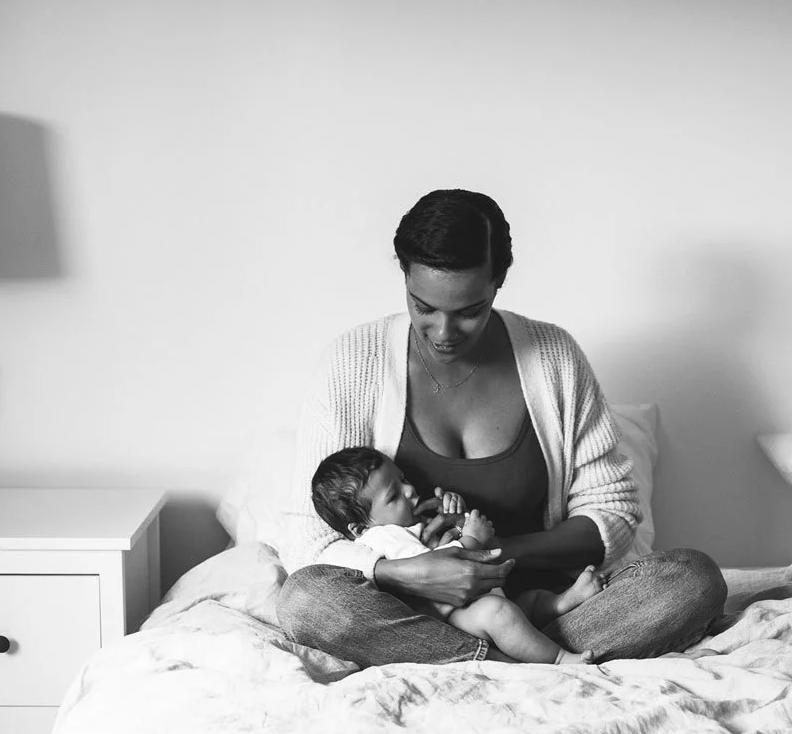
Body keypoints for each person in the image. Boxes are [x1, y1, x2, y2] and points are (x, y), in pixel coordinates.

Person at [275, 187, 727, 665]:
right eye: (423, 306)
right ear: (404, 276)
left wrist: (487, 555)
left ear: (498, 282)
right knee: (306, 601)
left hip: (549, 608)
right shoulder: (354, 363)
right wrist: (412, 574)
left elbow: (611, 512)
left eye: (469, 312)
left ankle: (505, 652)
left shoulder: (554, 357)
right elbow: (311, 543)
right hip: (420, 617)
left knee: (692, 579)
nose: (444, 333)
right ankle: (515, 661)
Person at [303, 444, 598, 664]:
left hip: (478, 602)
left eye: (403, 478)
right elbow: (441, 569)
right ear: (359, 527)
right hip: (456, 619)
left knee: (527, 602)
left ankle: (561, 603)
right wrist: (470, 537)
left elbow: (438, 547)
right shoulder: (383, 537)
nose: (409, 490)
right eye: (394, 495)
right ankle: (559, 661)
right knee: (502, 614)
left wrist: (453, 518)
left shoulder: (405, 525)